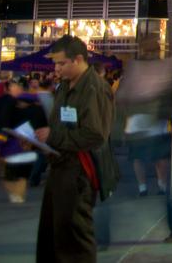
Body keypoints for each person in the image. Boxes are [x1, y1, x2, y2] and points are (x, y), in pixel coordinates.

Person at [35, 35, 116, 261]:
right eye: (56, 64)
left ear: (78, 59)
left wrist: (54, 136)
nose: (57, 69)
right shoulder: (65, 86)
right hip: (60, 165)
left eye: (62, 63)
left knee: (74, 235)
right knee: (55, 231)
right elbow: (60, 123)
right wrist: (44, 138)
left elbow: (96, 135)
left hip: (80, 170)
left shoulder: (94, 88)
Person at [0, 78, 48, 203]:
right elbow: (43, 127)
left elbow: (3, 126)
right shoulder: (38, 110)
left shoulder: (11, 107)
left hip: (12, 146)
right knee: (23, 173)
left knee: (12, 173)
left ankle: (15, 193)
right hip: (29, 145)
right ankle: (19, 194)